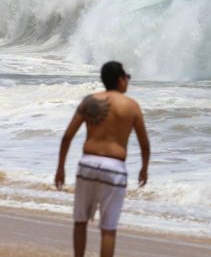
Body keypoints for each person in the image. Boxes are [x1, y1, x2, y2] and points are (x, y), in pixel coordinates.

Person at [55, 61, 150, 257]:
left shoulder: (89, 101)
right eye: (127, 77)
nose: (128, 81)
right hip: (114, 168)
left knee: (80, 221)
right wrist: (144, 168)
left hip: (87, 164)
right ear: (120, 80)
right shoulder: (131, 106)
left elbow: (67, 136)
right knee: (108, 228)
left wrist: (60, 168)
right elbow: (144, 144)